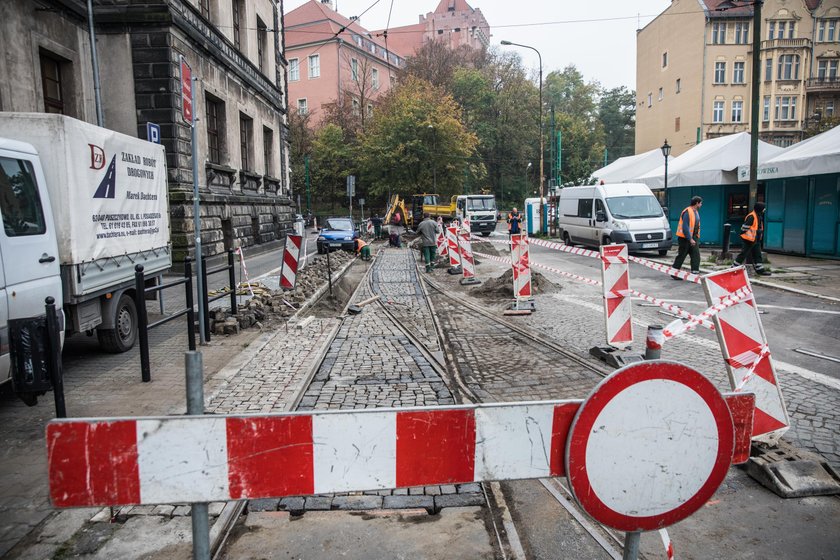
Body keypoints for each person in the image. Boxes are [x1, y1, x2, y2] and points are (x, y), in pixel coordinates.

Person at [735, 201, 771, 276]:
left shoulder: (758, 215)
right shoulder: (752, 216)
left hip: (755, 239)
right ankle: (733, 268)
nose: (764, 210)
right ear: (760, 208)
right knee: (743, 254)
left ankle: (760, 270)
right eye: (764, 208)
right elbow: (744, 228)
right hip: (749, 240)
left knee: (757, 254)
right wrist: (746, 236)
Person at [671, 196, 703, 280]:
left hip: (693, 237)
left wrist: (694, 238)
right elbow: (685, 227)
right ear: (697, 203)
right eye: (700, 203)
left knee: (696, 255)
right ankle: (674, 273)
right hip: (685, 239)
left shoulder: (695, 212)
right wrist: (690, 239)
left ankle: (694, 274)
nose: (701, 205)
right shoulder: (687, 212)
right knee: (682, 255)